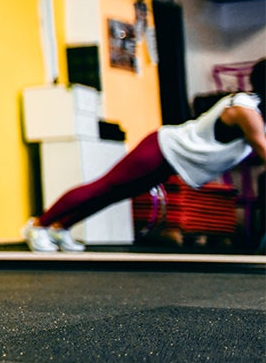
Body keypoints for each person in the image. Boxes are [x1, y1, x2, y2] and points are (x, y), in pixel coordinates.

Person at [23, 59, 266, 253]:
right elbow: (262, 149)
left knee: (114, 195)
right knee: (104, 187)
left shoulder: (258, 113)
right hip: (162, 149)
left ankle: (60, 227)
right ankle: (38, 225)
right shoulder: (245, 110)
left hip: (174, 161)